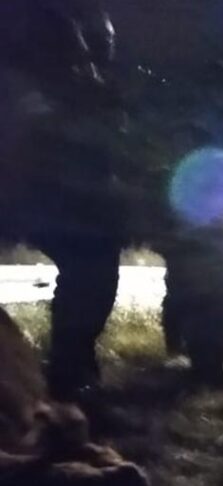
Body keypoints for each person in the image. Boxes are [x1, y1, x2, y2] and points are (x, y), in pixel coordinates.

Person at [0, 0, 126, 401]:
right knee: (92, 258)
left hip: (49, 180)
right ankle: (68, 368)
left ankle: (71, 368)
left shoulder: (77, 23)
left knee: (93, 258)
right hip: (30, 172)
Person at [150, 61, 223, 389]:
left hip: (212, 228)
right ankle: (205, 366)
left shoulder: (219, 125)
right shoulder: (197, 125)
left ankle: (201, 361)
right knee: (219, 293)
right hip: (202, 229)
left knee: (215, 291)